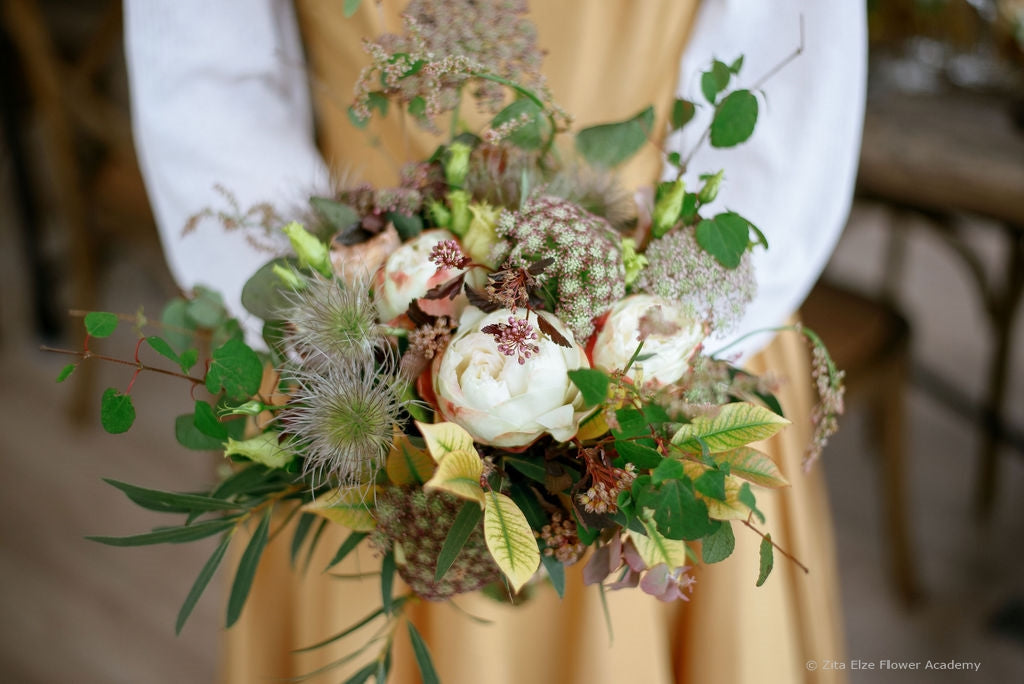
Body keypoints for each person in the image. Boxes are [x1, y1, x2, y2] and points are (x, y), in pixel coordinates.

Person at [125, 1, 866, 681]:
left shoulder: (670, 329)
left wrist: (658, 352)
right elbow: (208, 84)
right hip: (351, 339)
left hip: (664, 318)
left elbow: (792, 89)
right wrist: (348, 334)